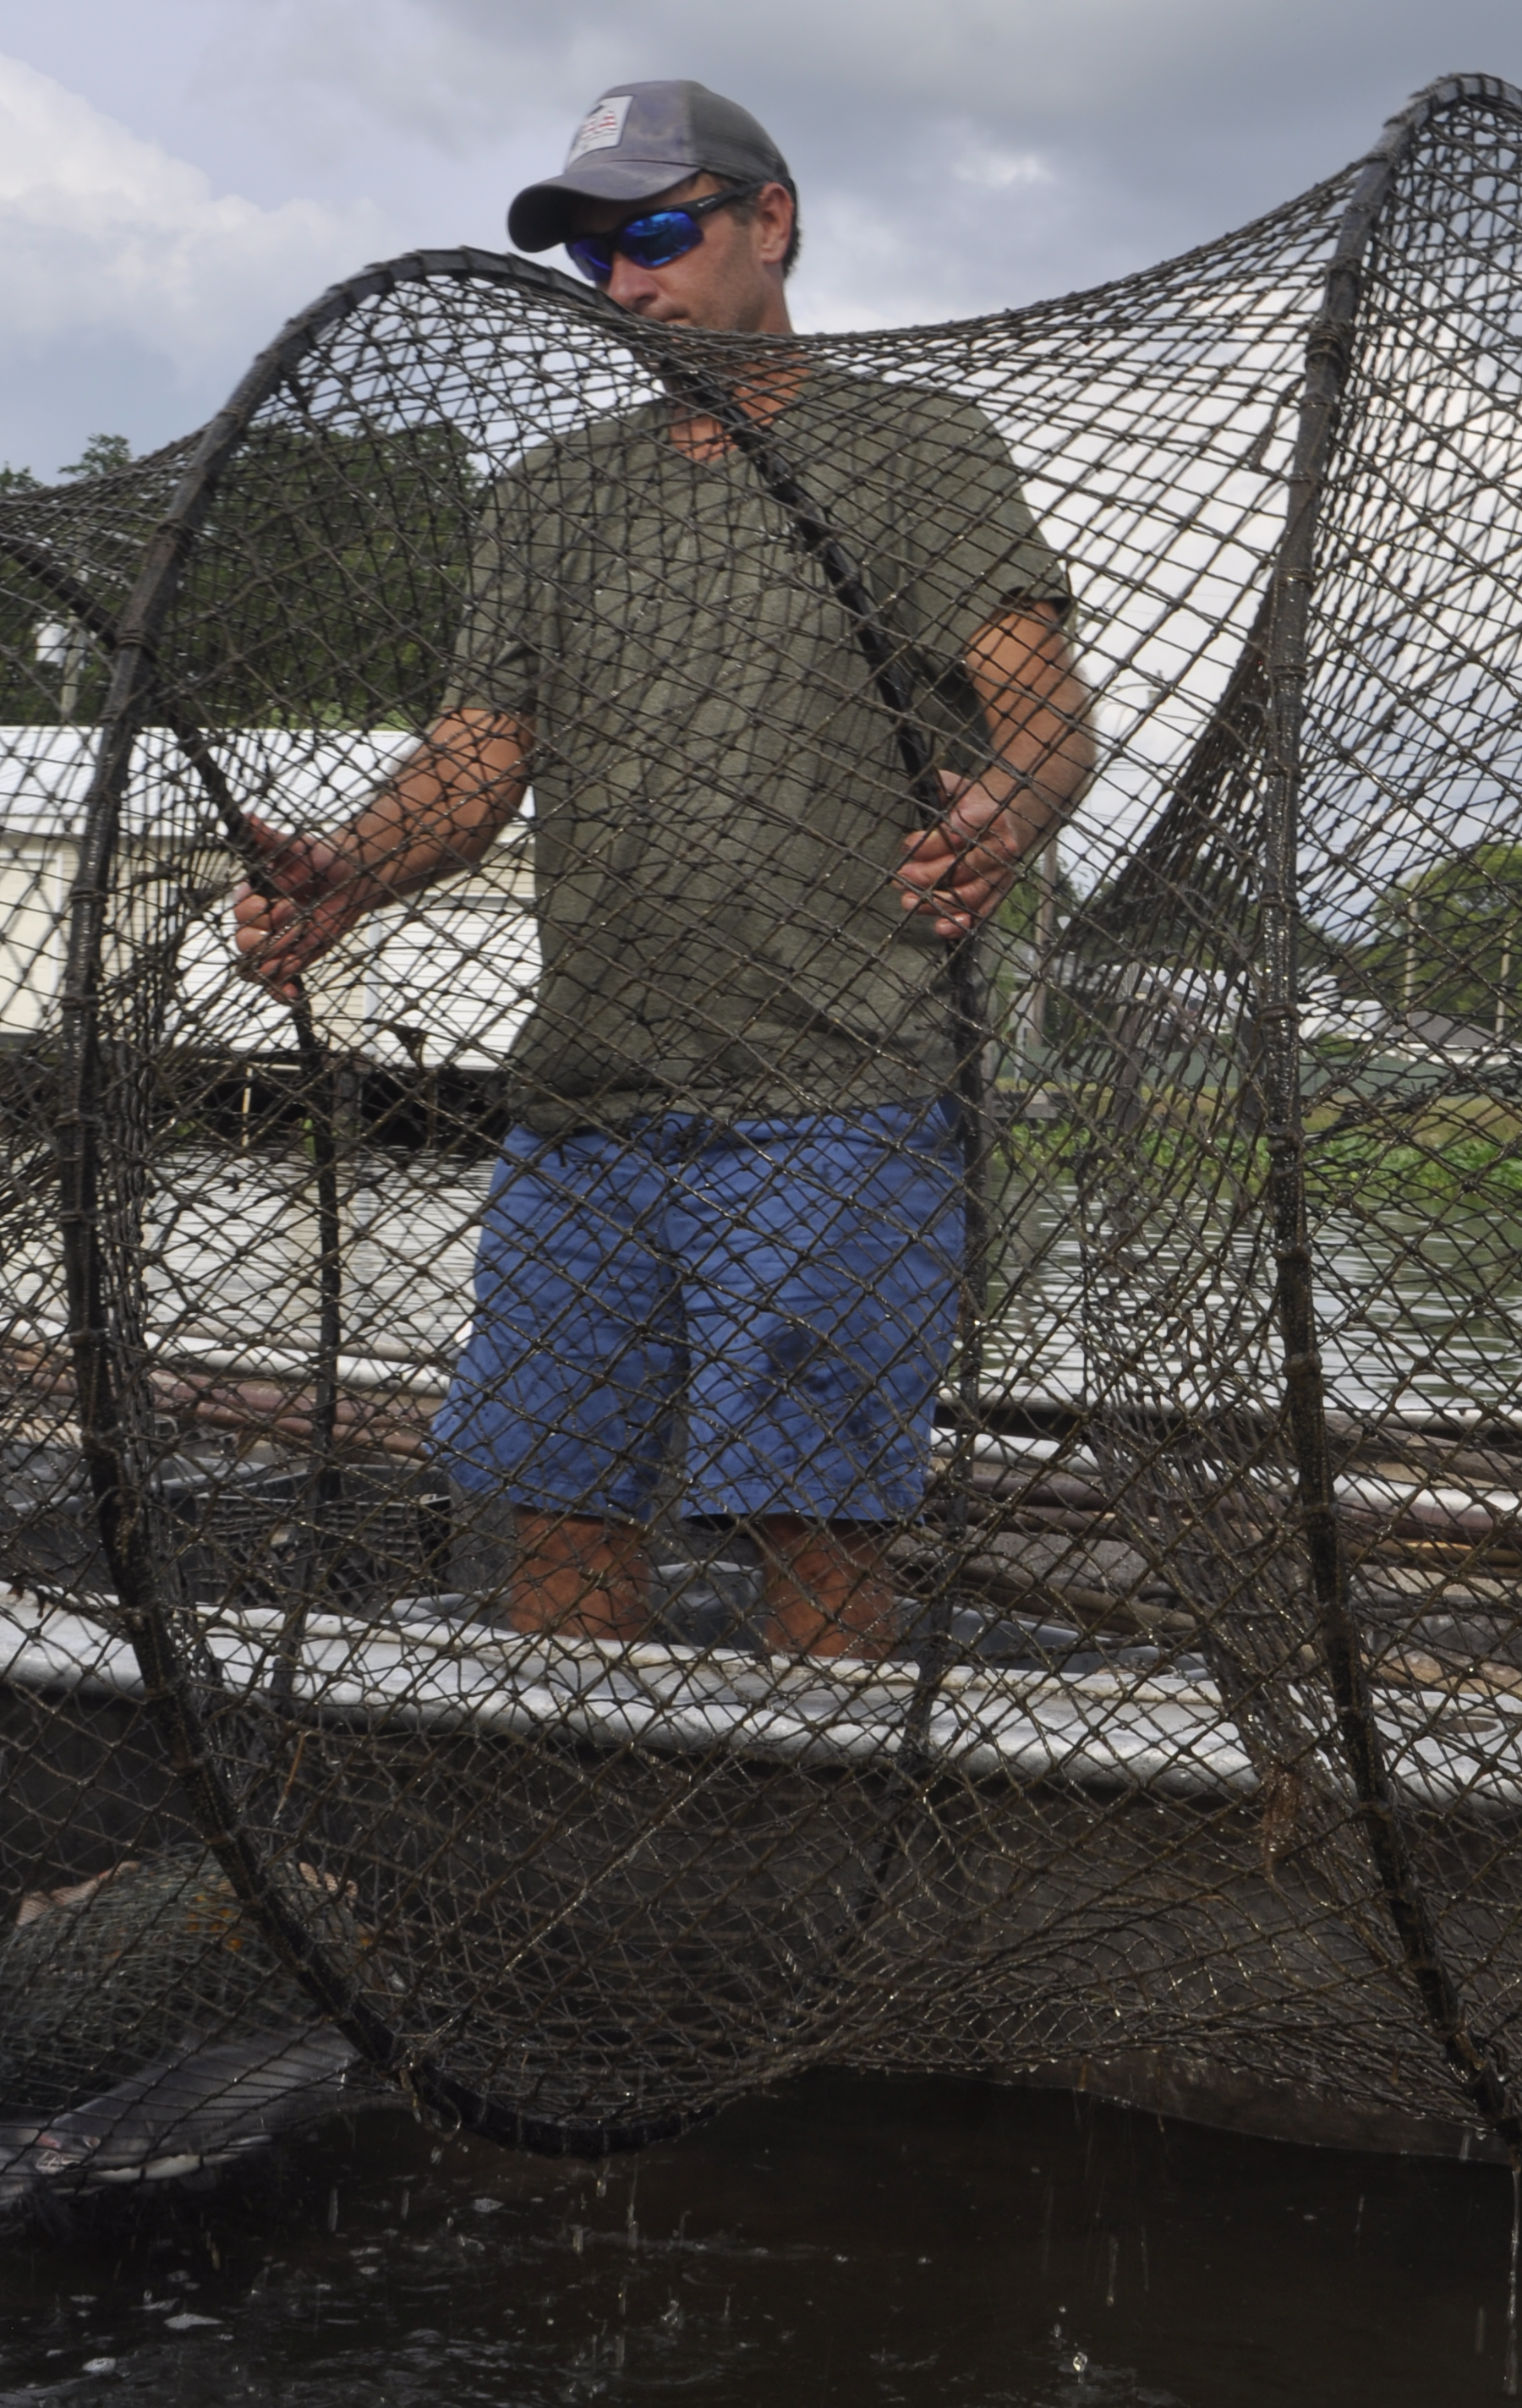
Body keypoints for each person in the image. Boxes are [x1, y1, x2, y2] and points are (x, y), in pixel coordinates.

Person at [233, 79, 1092, 1657]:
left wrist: (1007, 816)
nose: (629, 281)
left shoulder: (914, 447)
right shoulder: (554, 497)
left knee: (813, 1518)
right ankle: (577, 1830)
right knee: (555, 1506)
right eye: (594, 255)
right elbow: (478, 760)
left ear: (773, 223)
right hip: (588, 1106)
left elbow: (1046, 723)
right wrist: (351, 864)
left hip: (839, 1096)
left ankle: (812, 1852)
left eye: (658, 233)